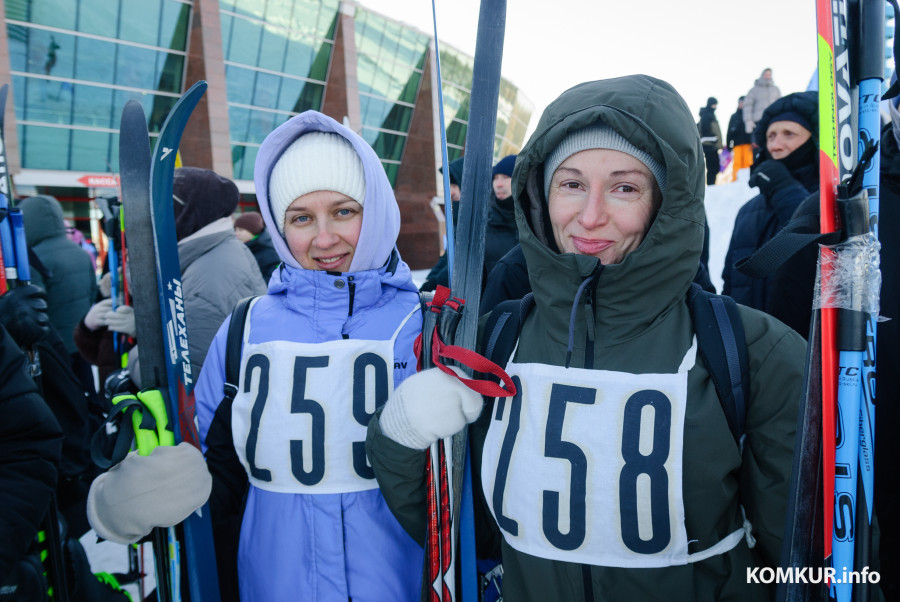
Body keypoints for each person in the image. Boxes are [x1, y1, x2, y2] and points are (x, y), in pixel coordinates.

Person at [367, 75, 806, 600]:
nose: (591, 216)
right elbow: (467, 535)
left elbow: (806, 563)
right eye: (571, 184)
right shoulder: (492, 344)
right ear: (541, 195)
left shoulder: (751, 352)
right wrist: (401, 436)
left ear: (666, 202)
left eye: (625, 188)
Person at [130, 167, 267, 383]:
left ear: (184, 211)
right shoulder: (218, 250)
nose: (154, 219)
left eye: (162, 209)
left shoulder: (209, 282)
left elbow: (183, 380)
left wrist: (145, 334)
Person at [722, 91, 818, 310]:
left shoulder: (830, 200)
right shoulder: (748, 210)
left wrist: (784, 189)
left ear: (813, 140)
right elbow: (730, 283)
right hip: (748, 330)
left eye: (789, 134)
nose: (776, 145)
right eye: (771, 136)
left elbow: (815, 253)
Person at [19, 195, 98, 395]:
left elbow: (36, 310)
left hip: (56, 348)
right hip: (82, 340)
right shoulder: (81, 253)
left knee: (67, 397)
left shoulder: (34, 259)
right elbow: (92, 293)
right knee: (87, 391)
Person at [421, 156, 464, 291]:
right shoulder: (458, 215)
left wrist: (433, 283)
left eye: (455, 185)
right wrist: (430, 279)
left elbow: (460, 262)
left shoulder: (476, 221)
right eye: (449, 185)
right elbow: (448, 255)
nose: (451, 191)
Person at [484, 154, 519, 279]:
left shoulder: (537, 223)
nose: (498, 184)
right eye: (495, 178)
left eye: (505, 177)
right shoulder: (484, 226)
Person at [233, 210, 281, 282]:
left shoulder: (268, 252)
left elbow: (272, 279)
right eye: (235, 230)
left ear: (253, 231)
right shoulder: (244, 247)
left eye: (241, 230)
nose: (236, 233)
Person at [743, 68, 782, 135]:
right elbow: (748, 106)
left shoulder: (775, 90)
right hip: (758, 121)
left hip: (773, 120)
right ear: (762, 75)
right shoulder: (754, 90)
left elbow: (780, 104)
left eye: (769, 74)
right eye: (766, 74)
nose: (768, 76)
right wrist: (748, 121)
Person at [727, 96, 754, 181]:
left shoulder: (750, 116)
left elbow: (754, 129)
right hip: (737, 143)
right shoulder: (734, 116)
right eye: (741, 102)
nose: (742, 104)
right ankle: (735, 180)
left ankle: (748, 180)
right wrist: (729, 144)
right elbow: (729, 131)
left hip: (748, 143)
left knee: (748, 162)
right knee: (737, 162)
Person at [698, 97, 722, 185]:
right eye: (714, 104)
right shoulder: (706, 115)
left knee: (715, 167)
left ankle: (712, 184)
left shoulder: (711, 115)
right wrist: (714, 138)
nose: (715, 106)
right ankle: (711, 185)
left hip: (713, 146)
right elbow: (704, 131)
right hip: (709, 146)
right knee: (712, 167)